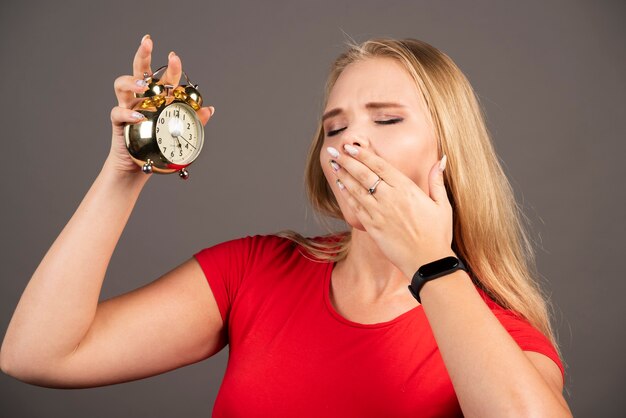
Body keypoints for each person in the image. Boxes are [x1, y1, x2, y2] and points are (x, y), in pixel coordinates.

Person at [0, 35, 572, 417]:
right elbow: (38, 354)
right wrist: (125, 171)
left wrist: (433, 264)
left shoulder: (494, 331)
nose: (350, 142)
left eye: (388, 119)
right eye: (333, 127)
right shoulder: (254, 272)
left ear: (451, 151)